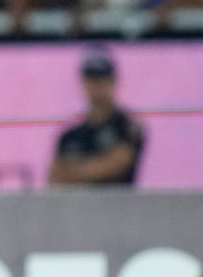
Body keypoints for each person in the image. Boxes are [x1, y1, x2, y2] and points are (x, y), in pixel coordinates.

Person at [49, 53, 144, 186]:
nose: (96, 87)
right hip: (79, 206)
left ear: (113, 81)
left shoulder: (127, 127)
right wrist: (96, 166)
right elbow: (54, 177)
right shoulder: (70, 135)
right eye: (91, 80)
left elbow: (115, 165)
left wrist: (73, 171)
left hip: (116, 204)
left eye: (101, 80)